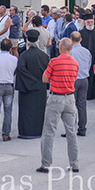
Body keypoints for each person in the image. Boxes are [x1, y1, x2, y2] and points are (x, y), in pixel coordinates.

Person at [37, 38, 80, 174]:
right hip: (70, 98)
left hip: (56, 97)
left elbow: (45, 78)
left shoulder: (54, 62)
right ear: (71, 48)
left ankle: (46, 164)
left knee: (49, 132)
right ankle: (74, 164)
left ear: (60, 47)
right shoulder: (75, 63)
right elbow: (74, 78)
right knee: (71, 133)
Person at [15, 30, 50, 139]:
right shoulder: (44, 56)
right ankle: (38, 131)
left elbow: (21, 70)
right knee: (39, 110)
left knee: (26, 110)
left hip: (27, 88)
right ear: (38, 41)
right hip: (40, 87)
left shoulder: (24, 55)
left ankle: (26, 132)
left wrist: (31, 80)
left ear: (27, 41)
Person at [68, 31, 91, 136]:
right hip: (84, 79)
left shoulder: (71, 52)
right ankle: (82, 128)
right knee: (82, 105)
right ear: (80, 39)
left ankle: (71, 129)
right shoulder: (86, 51)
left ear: (71, 40)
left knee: (71, 106)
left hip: (73, 79)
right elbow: (89, 64)